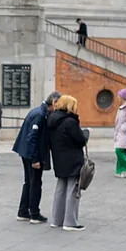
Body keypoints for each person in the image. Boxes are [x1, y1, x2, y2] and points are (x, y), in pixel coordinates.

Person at [13, 92, 62, 223]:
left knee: (29, 182)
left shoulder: (39, 112)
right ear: (54, 101)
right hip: (31, 153)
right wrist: (35, 159)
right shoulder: (40, 115)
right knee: (35, 183)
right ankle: (34, 213)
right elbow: (32, 138)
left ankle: (23, 211)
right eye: (59, 104)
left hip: (25, 151)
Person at [47, 95, 89, 232]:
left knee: (60, 188)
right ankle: (70, 222)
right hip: (73, 159)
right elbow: (80, 140)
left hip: (59, 159)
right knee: (73, 190)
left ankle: (57, 220)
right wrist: (86, 133)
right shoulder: (70, 122)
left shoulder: (52, 119)